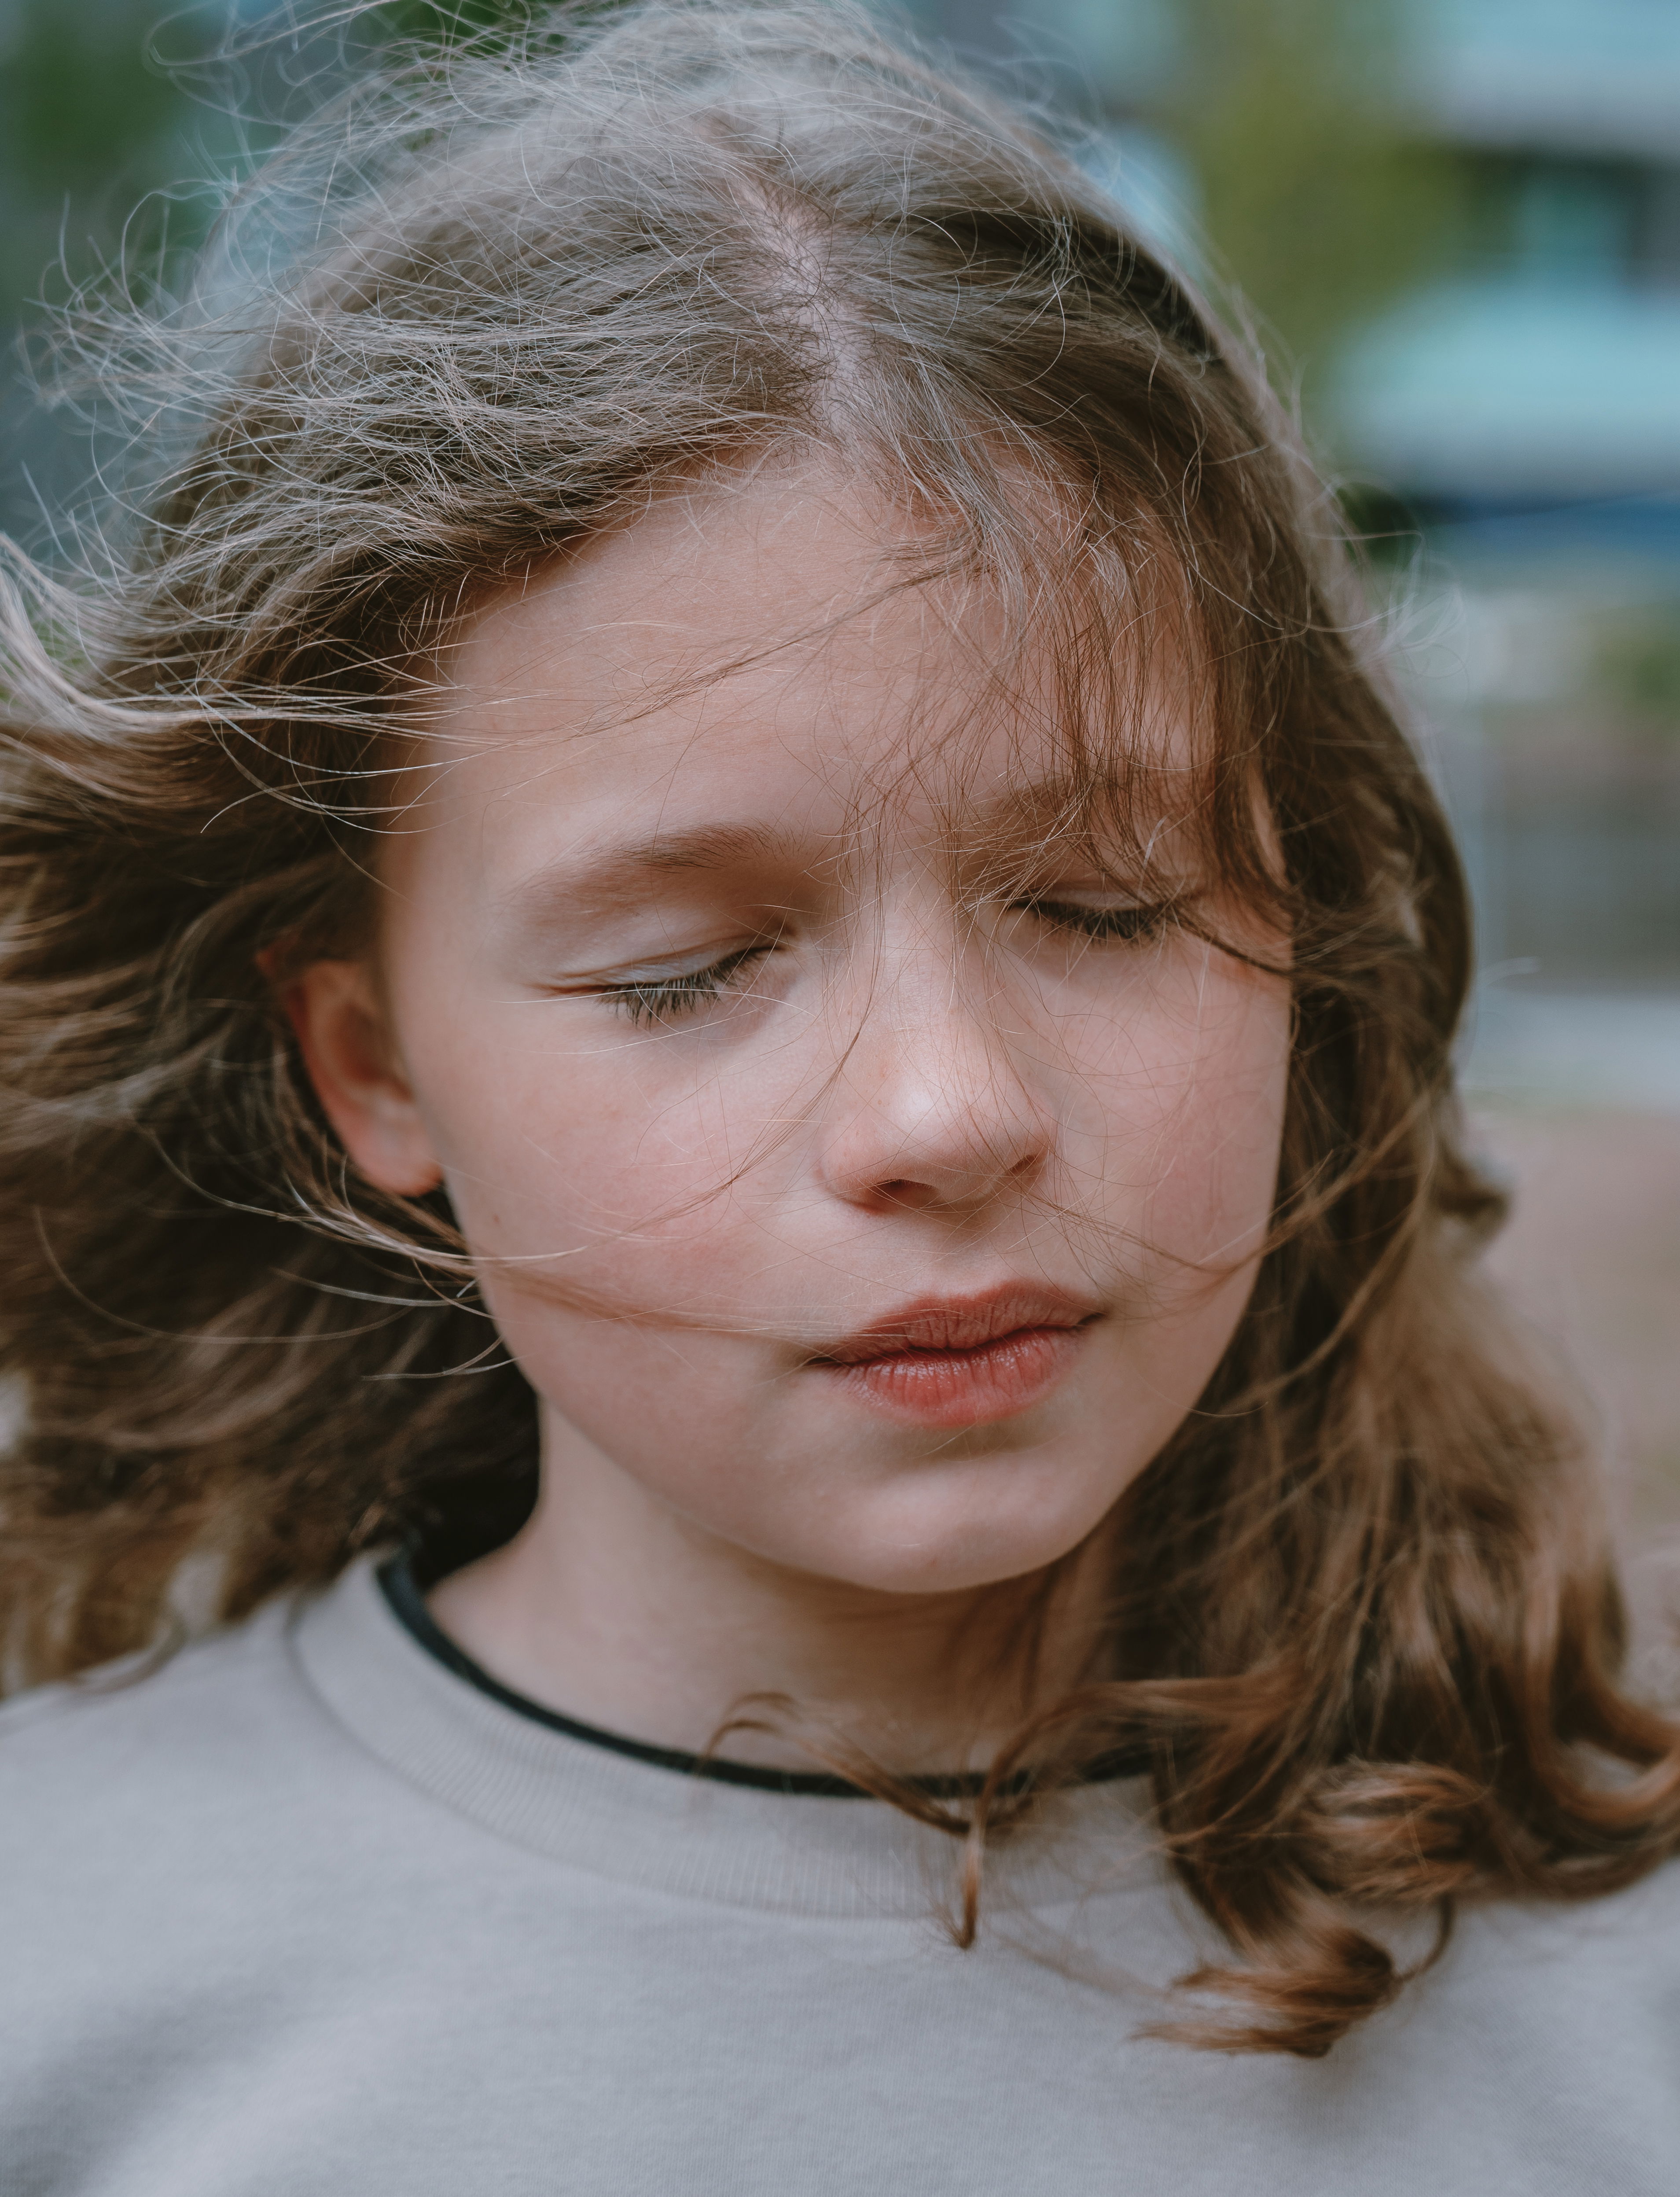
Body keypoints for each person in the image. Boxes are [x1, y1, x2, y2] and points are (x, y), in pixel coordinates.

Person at [0, 4, 1676, 2190]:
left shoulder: (1623, 1970)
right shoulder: (57, 1969)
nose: (947, 1110)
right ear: (373, 1067)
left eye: (1099, 907)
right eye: (686, 970)